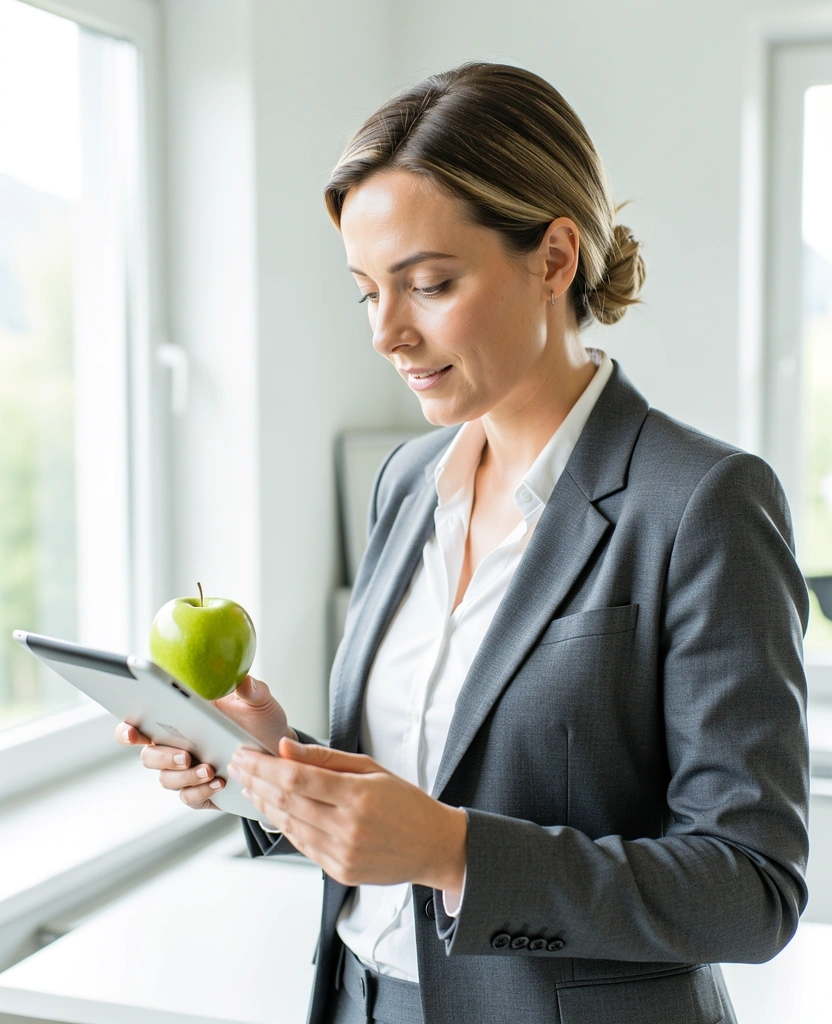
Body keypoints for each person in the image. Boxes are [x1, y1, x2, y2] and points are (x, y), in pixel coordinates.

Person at [117, 61, 810, 1024]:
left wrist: (455, 852)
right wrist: (272, 762)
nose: (387, 335)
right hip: (361, 1001)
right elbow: (411, 795)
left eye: (429, 284)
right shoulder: (407, 484)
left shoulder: (702, 503)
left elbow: (751, 889)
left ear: (556, 257)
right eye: (367, 293)